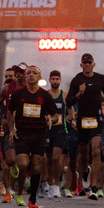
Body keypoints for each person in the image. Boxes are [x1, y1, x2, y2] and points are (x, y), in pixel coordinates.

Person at [7, 65, 58, 208]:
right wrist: (11, 129)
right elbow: (10, 113)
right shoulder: (18, 94)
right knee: (23, 164)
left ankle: (33, 198)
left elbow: (55, 116)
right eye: (28, 73)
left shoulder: (45, 95)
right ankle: (28, 166)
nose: (31, 75)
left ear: (39, 77)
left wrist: (50, 120)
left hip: (39, 134)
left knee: (36, 167)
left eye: (34, 73)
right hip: (22, 133)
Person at [65, 53, 104, 200]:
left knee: (96, 151)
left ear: (93, 64)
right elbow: (69, 102)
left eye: (89, 62)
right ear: (81, 65)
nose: (87, 65)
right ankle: (85, 171)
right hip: (82, 121)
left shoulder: (100, 78)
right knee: (84, 153)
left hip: (97, 120)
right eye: (84, 63)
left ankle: (94, 187)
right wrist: (79, 94)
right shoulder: (77, 80)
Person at [0, 64, 27, 203]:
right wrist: (2, 118)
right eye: (16, 72)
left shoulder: (31, 88)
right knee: (9, 161)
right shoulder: (8, 88)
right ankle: (8, 191)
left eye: (21, 72)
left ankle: (15, 190)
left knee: (22, 163)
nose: (18, 74)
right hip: (9, 129)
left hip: (26, 129)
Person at [45, 70, 68, 198]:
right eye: (53, 79)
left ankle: (56, 185)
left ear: (60, 80)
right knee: (47, 160)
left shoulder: (64, 95)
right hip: (47, 131)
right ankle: (48, 183)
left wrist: (71, 118)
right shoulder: (45, 95)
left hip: (60, 131)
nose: (55, 81)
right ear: (49, 80)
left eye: (57, 79)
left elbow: (71, 109)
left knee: (55, 158)